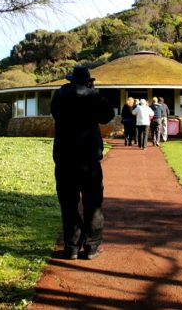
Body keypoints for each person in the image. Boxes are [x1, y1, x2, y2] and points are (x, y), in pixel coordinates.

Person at [50, 66, 115, 260]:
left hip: (64, 158)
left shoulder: (59, 95)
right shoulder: (93, 96)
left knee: (68, 205)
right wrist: (93, 93)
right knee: (93, 204)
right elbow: (108, 116)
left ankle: (71, 248)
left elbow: (55, 114)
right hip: (89, 159)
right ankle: (92, 247)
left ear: (71, 80)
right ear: (88, 81)